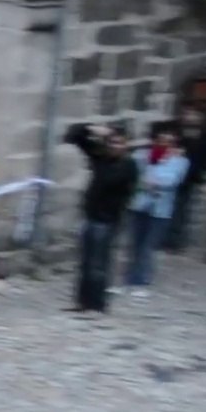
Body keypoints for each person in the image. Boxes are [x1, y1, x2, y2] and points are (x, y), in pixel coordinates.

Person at [63, 122, 138, 313]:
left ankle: (98, 304)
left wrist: (99, 154)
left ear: (126, 145)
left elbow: (110, 181)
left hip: (107, 220)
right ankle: (83, 302)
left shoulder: (128, 166)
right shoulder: (101, 158)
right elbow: (73, 135)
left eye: (119, 143)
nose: (115, 146)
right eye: (112, 142)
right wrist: (92, 129)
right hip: (90, 216)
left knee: (99, 263)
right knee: (85, 262)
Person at [123, 126, 188, 297]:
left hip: (160, 210)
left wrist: (153, 178)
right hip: (140, 205)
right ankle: (131, 275)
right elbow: (130, 163)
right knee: (135, 242)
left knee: (148, 245)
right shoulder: (144, 156)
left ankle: (142, 278)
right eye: (160, 140)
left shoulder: (179, 161)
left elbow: (172, 180)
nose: (164, 144)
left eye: (168, 141)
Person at [164, 106, 206, 252]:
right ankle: (166, 238)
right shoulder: (178, 133)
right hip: (173, 176)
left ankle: (175, 241)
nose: (190, 117)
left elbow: (204, 158)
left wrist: (201, 173)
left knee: (182, 211)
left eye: (193, 115)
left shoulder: (204, 136)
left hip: (189, 178)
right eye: (188, 115)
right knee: (169, 208)